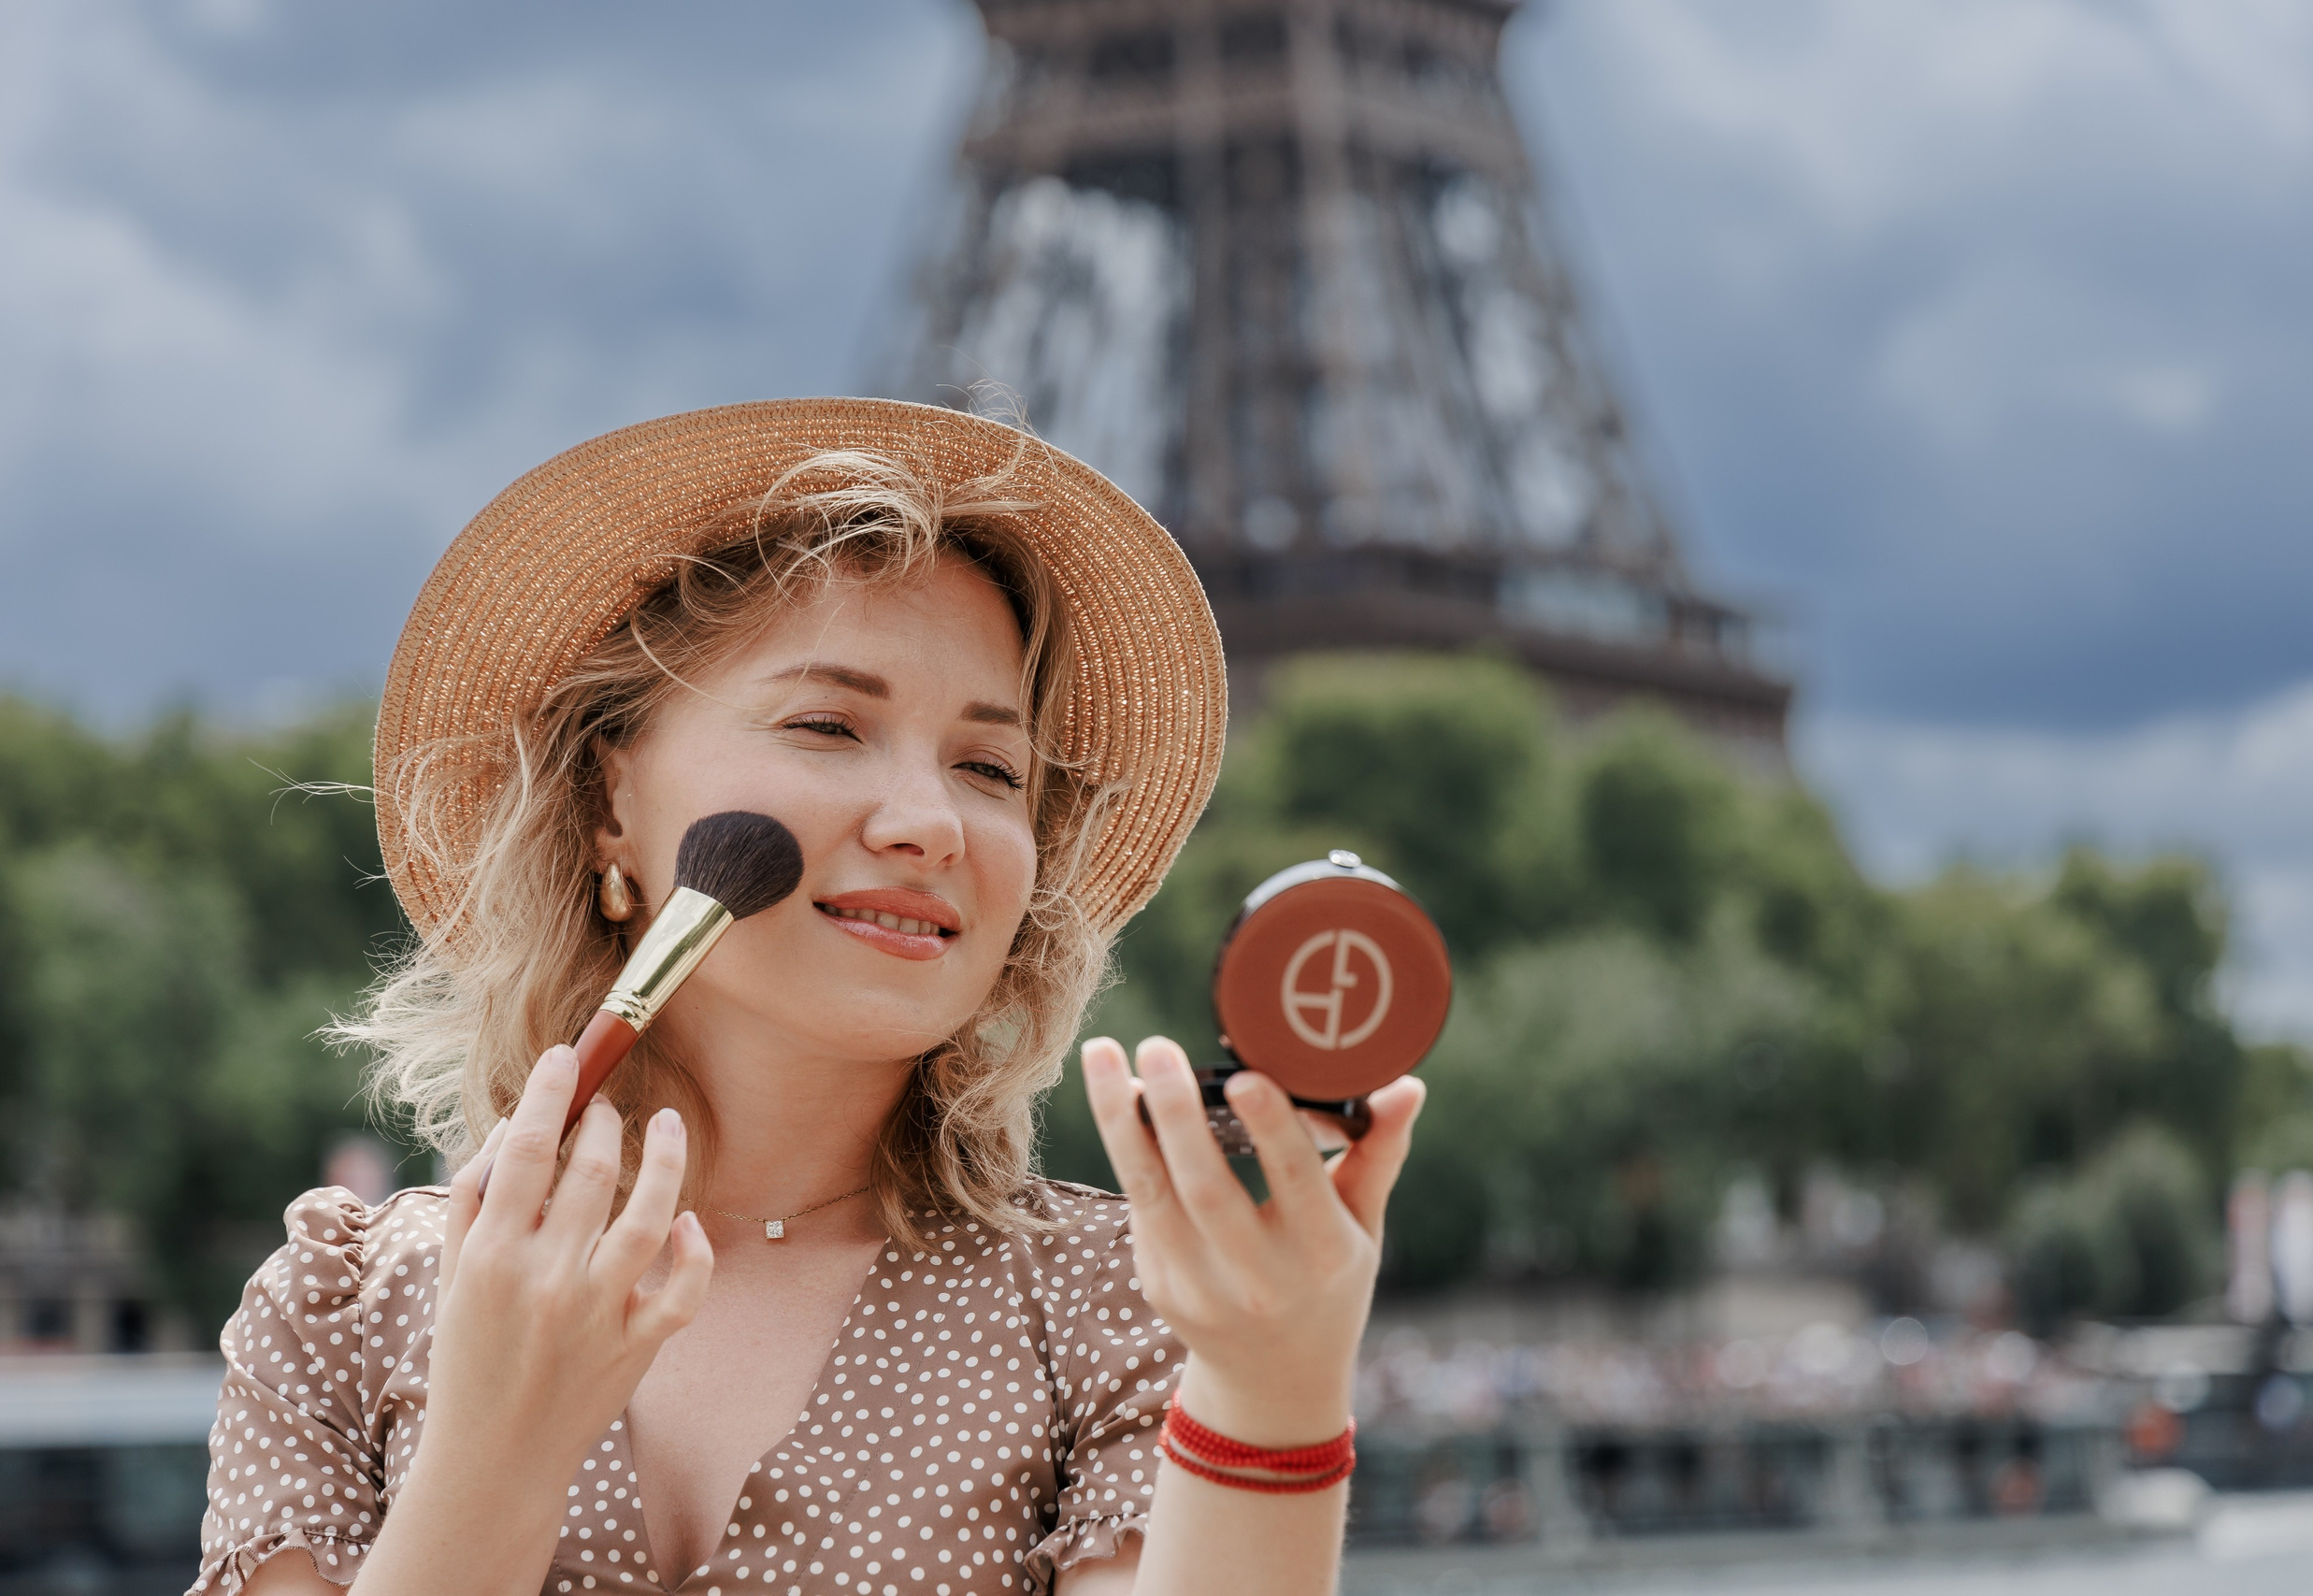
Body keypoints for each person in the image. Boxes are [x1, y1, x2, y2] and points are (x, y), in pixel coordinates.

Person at [189, 399, 1428, 1596]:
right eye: (830, 727)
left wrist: (1274, 1398)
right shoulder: (339, 1307)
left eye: (991, 767)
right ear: (610, 797)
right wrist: (491, 1459)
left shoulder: (1119, 1303)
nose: (930, 824)